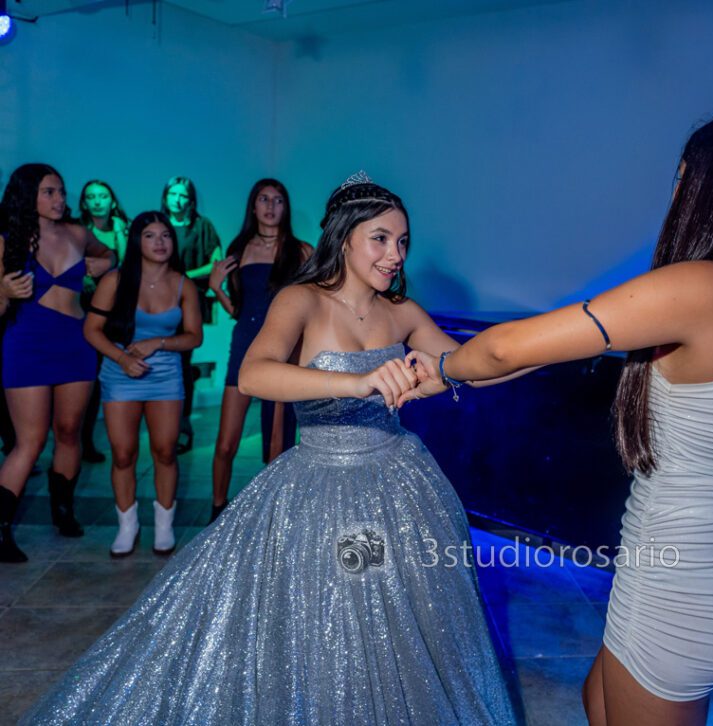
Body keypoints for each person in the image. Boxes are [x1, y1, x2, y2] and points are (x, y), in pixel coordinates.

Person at [17, 174, 516, 724]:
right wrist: (357, 382)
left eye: (402, 241)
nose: (395, 254)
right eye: (380, 238)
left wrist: (546, 349)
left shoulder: (404, 312)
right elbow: (255, 374)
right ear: (344, 238)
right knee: (334, 618)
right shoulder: (301, 300)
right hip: (320, 485)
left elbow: (472, 366)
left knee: (398, 616)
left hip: (397, 480)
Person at [404, 108, 713, 726]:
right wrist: (462, 370)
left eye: (683, 177)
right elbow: (536, 354)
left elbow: (504, 347)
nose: (676, 193)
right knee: (597, 699)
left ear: (711, 185)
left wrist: (439, 370)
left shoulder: (703, 286)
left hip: (685, 583)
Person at [0, 164, 116, 563]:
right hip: (26, 343)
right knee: (30, 441)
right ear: (27, 195)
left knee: (69, 432)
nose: (59, 199)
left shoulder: (78, 234)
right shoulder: (6, 241)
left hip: (75, 343)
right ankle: (1, 529)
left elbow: (109, 254)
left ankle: (63, 511)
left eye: (61, 191)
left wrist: (104, 263)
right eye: (49, 192)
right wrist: (3, 292)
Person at [83, 212, 202, 557]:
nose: (160, 242)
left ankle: (164, 526)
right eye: (150, 235)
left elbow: (194, 337)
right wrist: (122, 359)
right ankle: (127, 526)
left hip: (166, 375)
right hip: (120, 373)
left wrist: (158, 343)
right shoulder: (115, 281)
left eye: (165, 235)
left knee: (165, 451)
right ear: (137, 241)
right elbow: (91, 330)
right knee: (123, 454)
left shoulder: (183, 284)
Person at [207, 179, 309, 522]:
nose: (270, 206)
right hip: (243, 346)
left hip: (282, 352)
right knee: (226, 443)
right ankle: (217, 511)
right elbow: (240, 311)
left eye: (278, 200)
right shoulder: (239, 249)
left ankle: (274, 518)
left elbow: (313, 305)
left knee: (277, 447)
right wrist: (216, 289)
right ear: (253, 205)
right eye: (264, 199)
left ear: (286, 207)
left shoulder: (301, 251)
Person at [160, 176, 222, 453]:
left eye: (183, 195)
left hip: (188, 302)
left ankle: (182, 426)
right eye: (173, 194)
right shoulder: (158, 224)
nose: (177, 199)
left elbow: (215, 263)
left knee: (181, 363)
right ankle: (163, 425)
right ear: (165, 197)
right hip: (157, 302)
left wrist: (182, 277)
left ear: (191, 199)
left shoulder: (202, 226)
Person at [78, 179, 132, 464]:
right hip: (84, 311)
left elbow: (128, 266)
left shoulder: (124, 229)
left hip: (118, 315)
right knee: (89, 377)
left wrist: (121, 233)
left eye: (103, 196)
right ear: (84, 203)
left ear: (112, 200)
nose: (98, 201)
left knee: (114, 372)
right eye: (91, 197)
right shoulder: (77, 231)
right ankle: (84, 440)